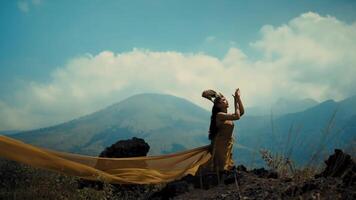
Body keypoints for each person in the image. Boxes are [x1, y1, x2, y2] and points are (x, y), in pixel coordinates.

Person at [201, 88, 245, 174]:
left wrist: (238, 98)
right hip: (220, 146)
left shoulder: (226, 115)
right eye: (223, 100)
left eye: (225, 99)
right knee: (220, 169)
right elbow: (237, 116)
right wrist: (235, 101)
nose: (226, 101)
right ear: (218, 105)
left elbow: (241, 112)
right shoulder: (219, 115)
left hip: (227, 145)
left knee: (224, 169)